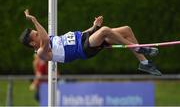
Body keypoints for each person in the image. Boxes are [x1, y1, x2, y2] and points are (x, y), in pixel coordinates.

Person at [20, 9, 162, 76]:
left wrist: (94, 27)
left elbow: (79, 35)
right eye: (36, 34)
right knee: (105, 30)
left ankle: (144, 64)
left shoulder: (50, 39)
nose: (39, 33)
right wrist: (34, 20)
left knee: (126, 30)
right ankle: (138, 48)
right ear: (33, 43)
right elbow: (44, 39)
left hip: (85, 38)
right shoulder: (41, 52)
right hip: (84, 48)